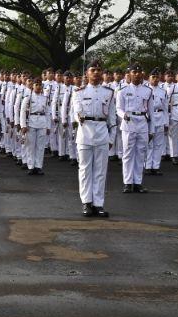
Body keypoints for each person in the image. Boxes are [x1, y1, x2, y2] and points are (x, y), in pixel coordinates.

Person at [71, 61, 117, 217]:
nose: (96, 72)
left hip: (102, 133)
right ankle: (86, 202)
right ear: (87, 74)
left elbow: (112, 118)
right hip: (85, 133)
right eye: (93, 70)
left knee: (100, 171)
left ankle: (98, 204)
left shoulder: (109, 92)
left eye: (99, 70)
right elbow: (76, 111)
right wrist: (79, 118)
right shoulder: (78, 91)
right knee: (84, 170)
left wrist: (111, 138)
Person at [116, 64, 152, 193]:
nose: (137, 74)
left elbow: (151, 112)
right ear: (129, 74)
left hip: (142, 122)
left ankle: (137, 182)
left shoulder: (148, 91)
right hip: (129, 122)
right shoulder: (123, 91)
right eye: (134, 72)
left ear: (142, 74)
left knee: (141, 153)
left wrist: (151, 129)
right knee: (128, 154)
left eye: (139, 72)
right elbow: (118, 108)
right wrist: (123, 115)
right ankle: (127, 182)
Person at [18, 77, 51, 175]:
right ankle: (31, 166)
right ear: (33, 86)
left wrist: (48, 126)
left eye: (40, 85)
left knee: (40, 147)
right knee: (30, 146)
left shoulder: (45, 98)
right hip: (31, 123)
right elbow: (23, 112)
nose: (38, 87)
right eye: (36, 85)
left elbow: (48, 113)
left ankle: (38, 166)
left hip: (42, 122)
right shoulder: (28, 97)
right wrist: (23, 125)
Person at [146, 70, 169, 176]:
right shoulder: (145, 90)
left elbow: (165, 109)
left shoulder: (163, 91)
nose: (155, 79)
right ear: (149, 78)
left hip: (160, 118)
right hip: (148, 119)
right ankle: (147, 166)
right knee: (148, 144)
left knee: (158, 145)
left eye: (157, 77)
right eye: (153, 77)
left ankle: (155, 167)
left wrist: (166, 123)